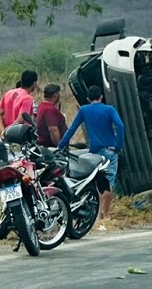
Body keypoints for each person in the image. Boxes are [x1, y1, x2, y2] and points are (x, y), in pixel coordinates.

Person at [58, 85, 124, 220]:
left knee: (97, 181)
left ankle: (97, 213)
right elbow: (120, 125)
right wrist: (118, 146)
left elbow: (72, 129)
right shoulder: (109, 109)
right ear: (101, 97)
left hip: (94, 153)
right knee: (109, 182)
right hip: (109, 150)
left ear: (88, 98)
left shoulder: (84, 110)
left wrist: (61, 146)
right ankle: (105, 215)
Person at [0, 70, 38, 136]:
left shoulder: (9, 93)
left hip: (7, 137)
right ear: (34, 83)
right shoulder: (27, 98)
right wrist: (6, 132)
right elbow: (21, 120)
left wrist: (3, 130)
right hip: (19, 136)